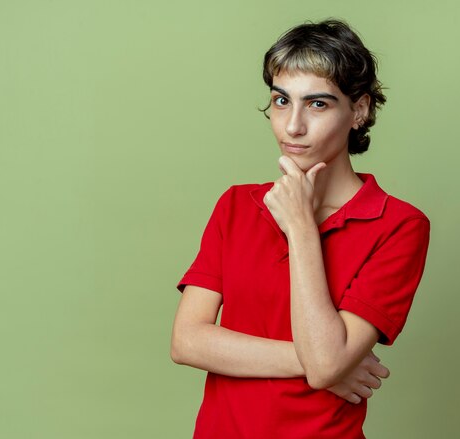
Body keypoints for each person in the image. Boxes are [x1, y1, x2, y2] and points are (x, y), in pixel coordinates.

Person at [171, 19, 430, 439]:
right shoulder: (236, 205)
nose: (292, 126)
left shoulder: (399, 226)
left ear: (359, 110)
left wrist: (301, 226)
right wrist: (316, 362)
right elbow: (187, 342)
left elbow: (327, 363)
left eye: (318, 104)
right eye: (281, 100)